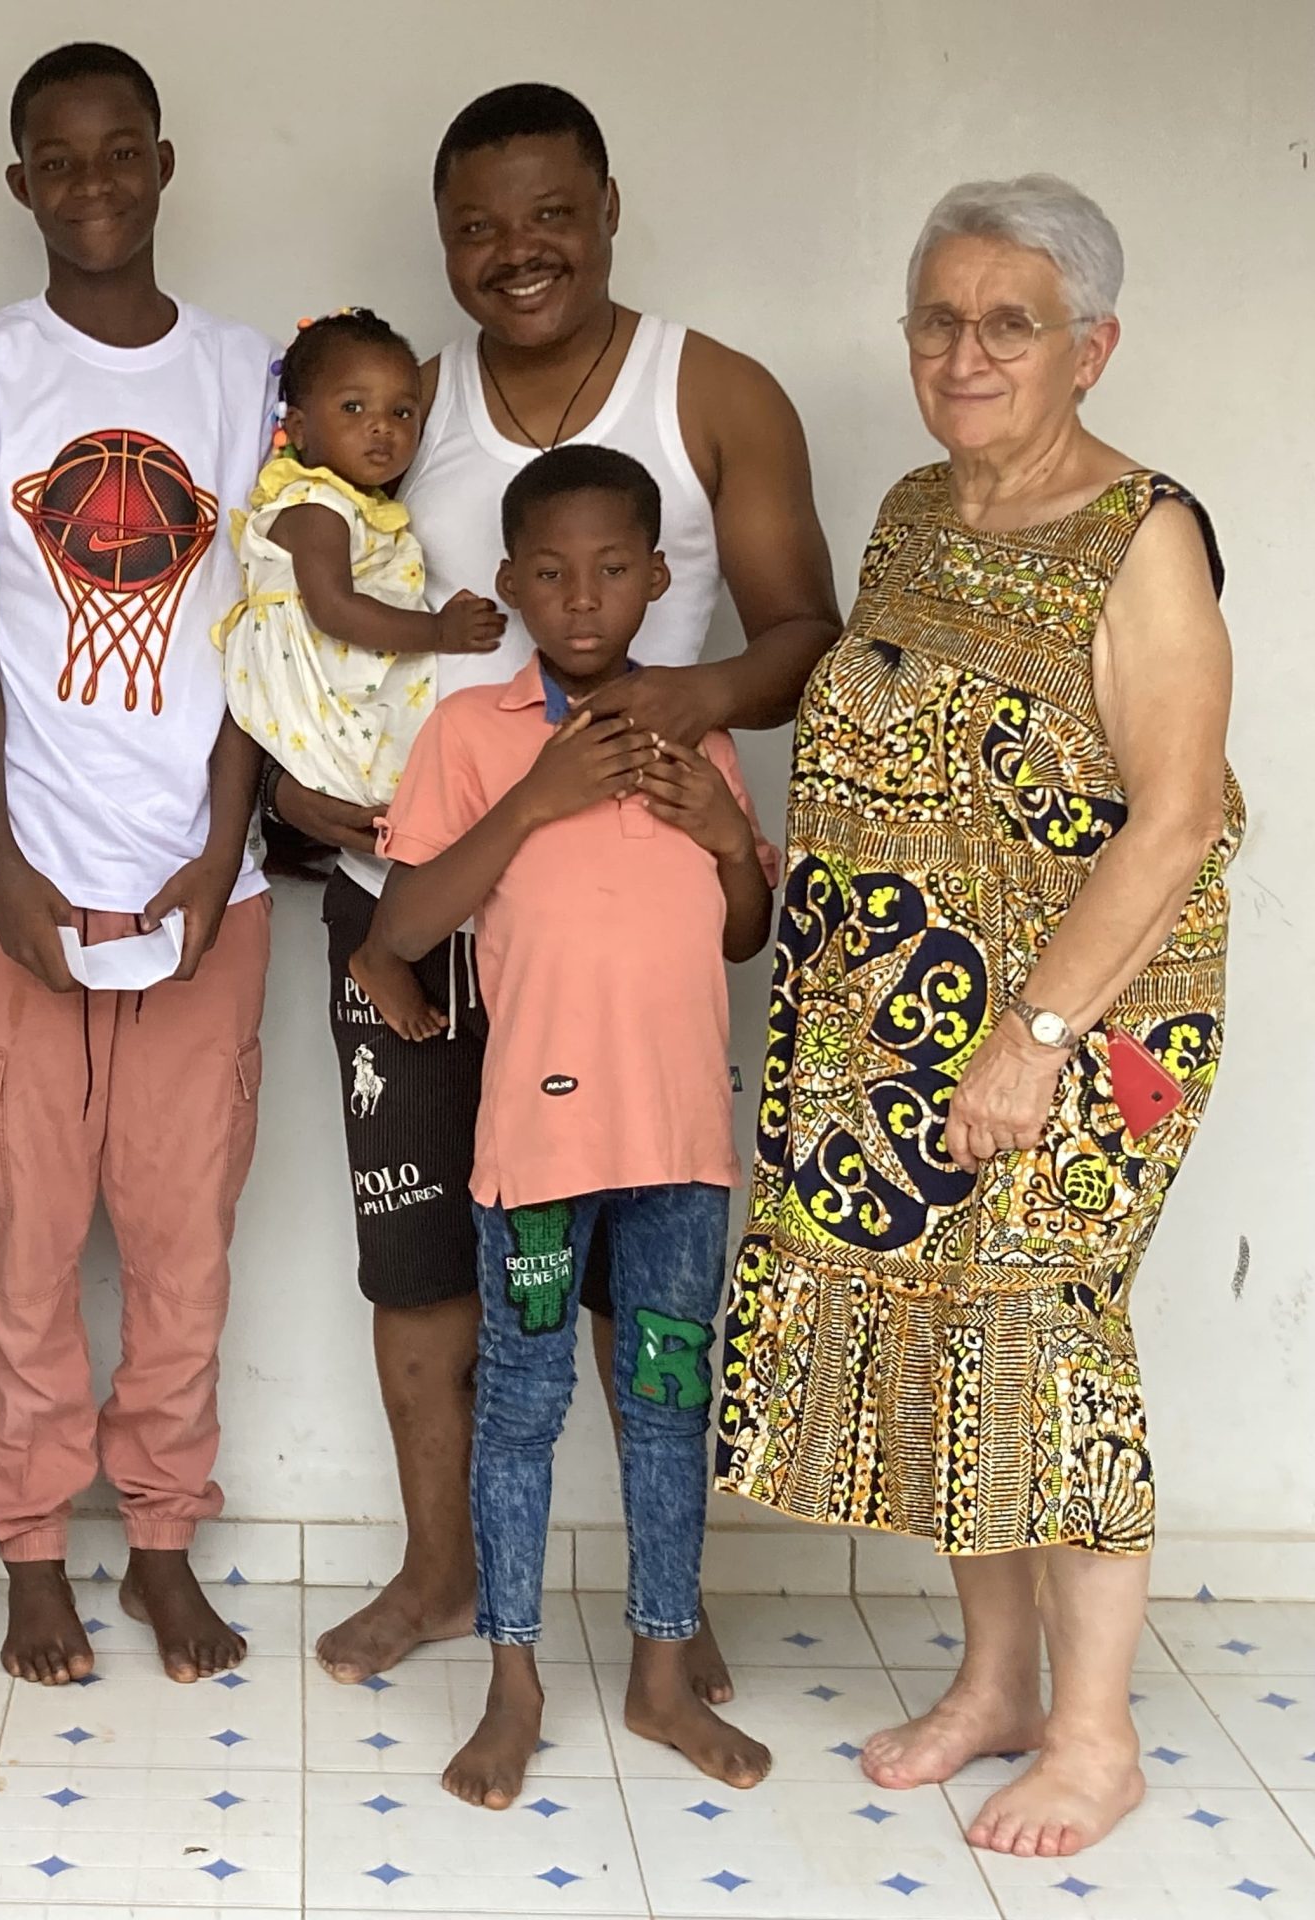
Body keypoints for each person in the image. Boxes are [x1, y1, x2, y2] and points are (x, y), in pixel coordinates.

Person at [278, 83, 841, 1696]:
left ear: (607, 208)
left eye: (549, 214)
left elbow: (805, 633)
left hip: (623, 900)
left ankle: (666, 1598)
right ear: (442, 238)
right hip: (415, 892)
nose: (515, 250)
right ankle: (441, 1572)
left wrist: (680, 706)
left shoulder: (712, 390)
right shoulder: (398, 406)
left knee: (630, 1254)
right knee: (419, 1256)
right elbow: (283, 600)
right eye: (477, 225)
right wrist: (288, 785)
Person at [716, 175, 1244, 1859]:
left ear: (1092, 346)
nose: (965, 351)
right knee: (956, 1343)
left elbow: (1175, 817)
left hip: (1083, 1025)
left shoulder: (1140, 537)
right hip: (901, 1020)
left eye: (1009, 322)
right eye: (939, 318)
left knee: (1050, 1339)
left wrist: (1033, 1038)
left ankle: (1096, 1738)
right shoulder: (912, 514)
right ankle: (1000, 1684)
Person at [0, 41, 275, 1686]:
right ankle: (33, 1544)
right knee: (29, 1237)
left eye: (121, 152)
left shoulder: (248, 377)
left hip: (204, 890)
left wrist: (226, 846)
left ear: (164, 165)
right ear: (19, 183)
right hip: (18, 879)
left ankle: (162, 1540)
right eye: (59, 158)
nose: (93, 182)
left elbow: (264, 640)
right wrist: (5, 862)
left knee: (184, 1246)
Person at [356, 445, 777, 1806]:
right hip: (537, 1157)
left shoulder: (696, 735)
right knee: (522, 1415)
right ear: (510, 583)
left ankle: (661, 1673)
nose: (580, 598)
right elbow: (402, 927)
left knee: (665, 1406)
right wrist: (537, 797)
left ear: (657, 578)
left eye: (609, 570)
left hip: (681, 1155)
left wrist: (729, 838)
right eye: (549, 572)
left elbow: (743, 935)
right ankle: (514, 1682)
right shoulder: (473, 735)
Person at [215, 308, 505, 833]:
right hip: (331, 699)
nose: (381, 426)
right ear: (298, 428)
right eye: (353, 407)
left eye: (402, 412)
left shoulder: (356, 505)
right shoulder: (316, 506)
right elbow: (333, 608)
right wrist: (440, 632)